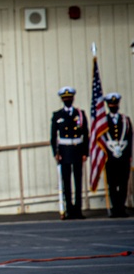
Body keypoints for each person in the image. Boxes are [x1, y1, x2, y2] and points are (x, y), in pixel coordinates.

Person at [50, 86, 89, 220]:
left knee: (78, 181)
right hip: (65, 150)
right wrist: (56, 152)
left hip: (77, 148)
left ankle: (78, 210)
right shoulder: (58, 115)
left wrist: (85, 152)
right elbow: (53, 136)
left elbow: (85, 134)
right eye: (65, 99)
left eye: (69, 98)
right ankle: (69, 209)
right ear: (62, 100)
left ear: (73, 99)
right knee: (66, 182)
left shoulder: (80, 114)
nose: (68, 100)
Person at [102, 93, 132, 218]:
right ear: (108, 105)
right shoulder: (103, 122)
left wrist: (129, 155)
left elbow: (130, 138)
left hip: (123, 156)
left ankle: (121, 207)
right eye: (111, 104)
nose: (113, 106)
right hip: (110, 156)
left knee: (123, 183)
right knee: (113, 184)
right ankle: (115, 208)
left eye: (115, 104)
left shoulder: (125, 120)